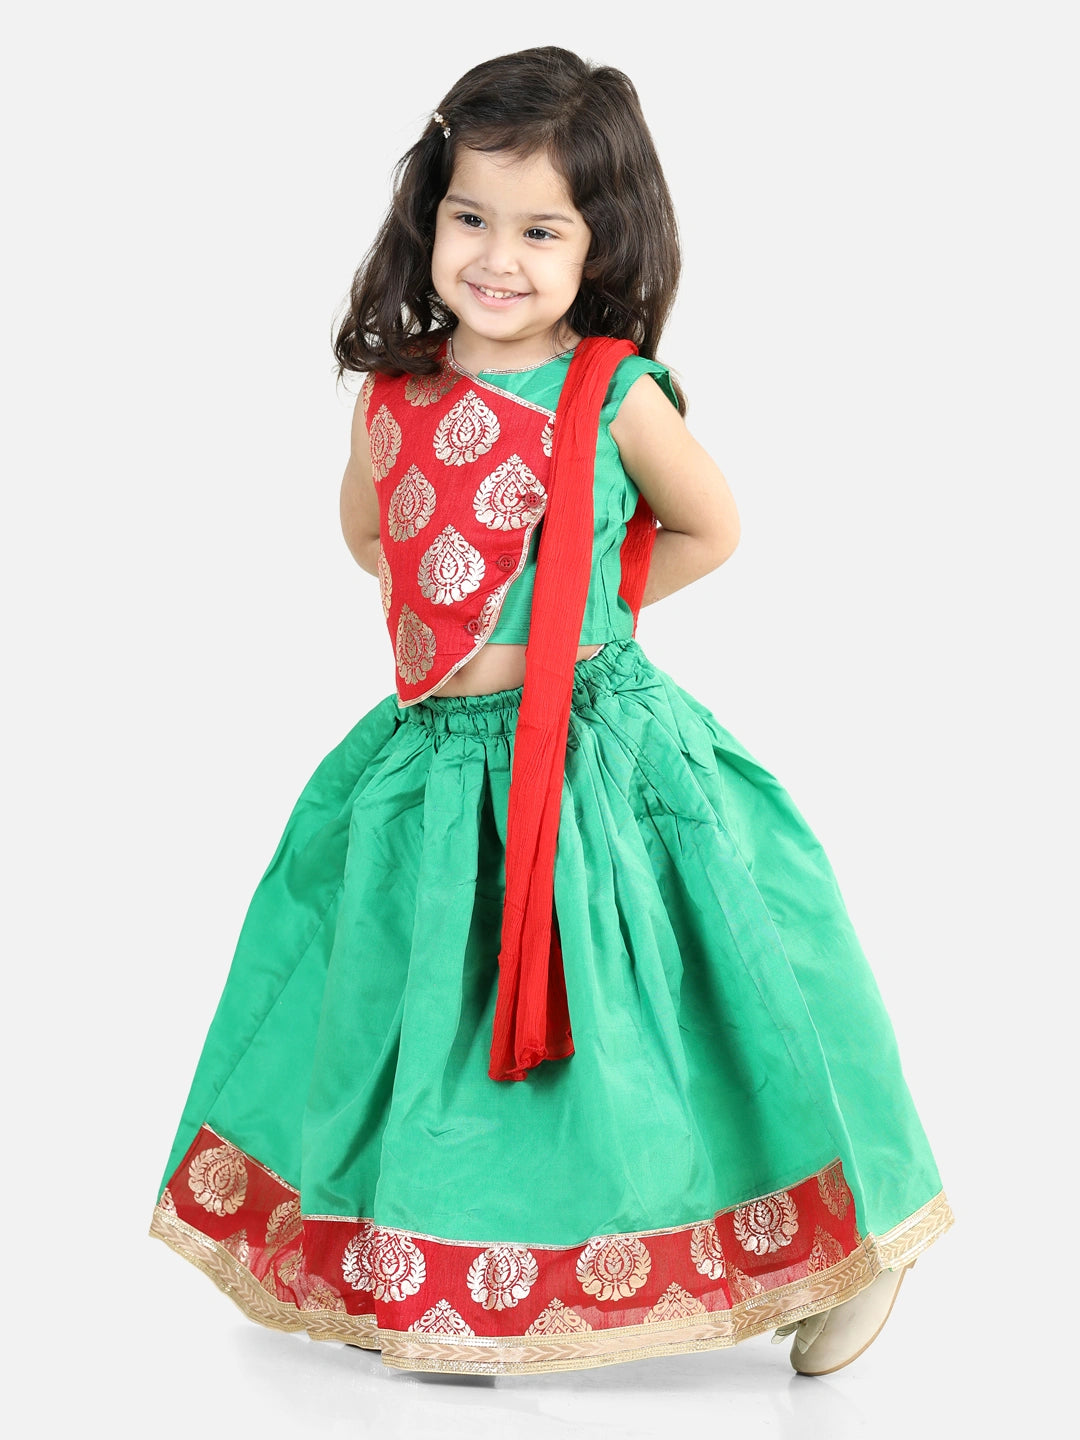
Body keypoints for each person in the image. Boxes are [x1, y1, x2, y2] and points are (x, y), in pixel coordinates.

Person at [150, 46, 953, 1379]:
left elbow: (712, 528)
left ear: (601, 240)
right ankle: (452, 1269)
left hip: (593, 751)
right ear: (429, 217)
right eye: (471, 216)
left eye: (541, 230)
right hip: (433, 763)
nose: (497, 256)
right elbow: (372, 535)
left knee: (684, 998)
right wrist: (456, 620)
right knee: (427, 1004)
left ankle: (850, 1246)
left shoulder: (616, 395)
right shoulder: (395, 392)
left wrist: (580, 617)